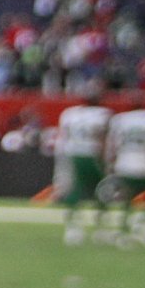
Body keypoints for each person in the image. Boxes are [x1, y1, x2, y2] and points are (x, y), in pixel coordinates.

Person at [105, 99, 145, 242]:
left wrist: (110, 163)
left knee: (127, 199)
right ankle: (142, 220)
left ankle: (123, 229)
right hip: (144, 165)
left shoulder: (120, 120)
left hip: (124, 165)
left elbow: (113, 145)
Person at [55, 84, 112, 246]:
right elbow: (103, 140)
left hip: (72, 154)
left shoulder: (70, 114)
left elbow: (63, 139)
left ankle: (73, 228)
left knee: (74, 190)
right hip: (91, 154)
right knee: (102, 190)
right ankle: (100, 228)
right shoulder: (103, 114)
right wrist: (106, 162)